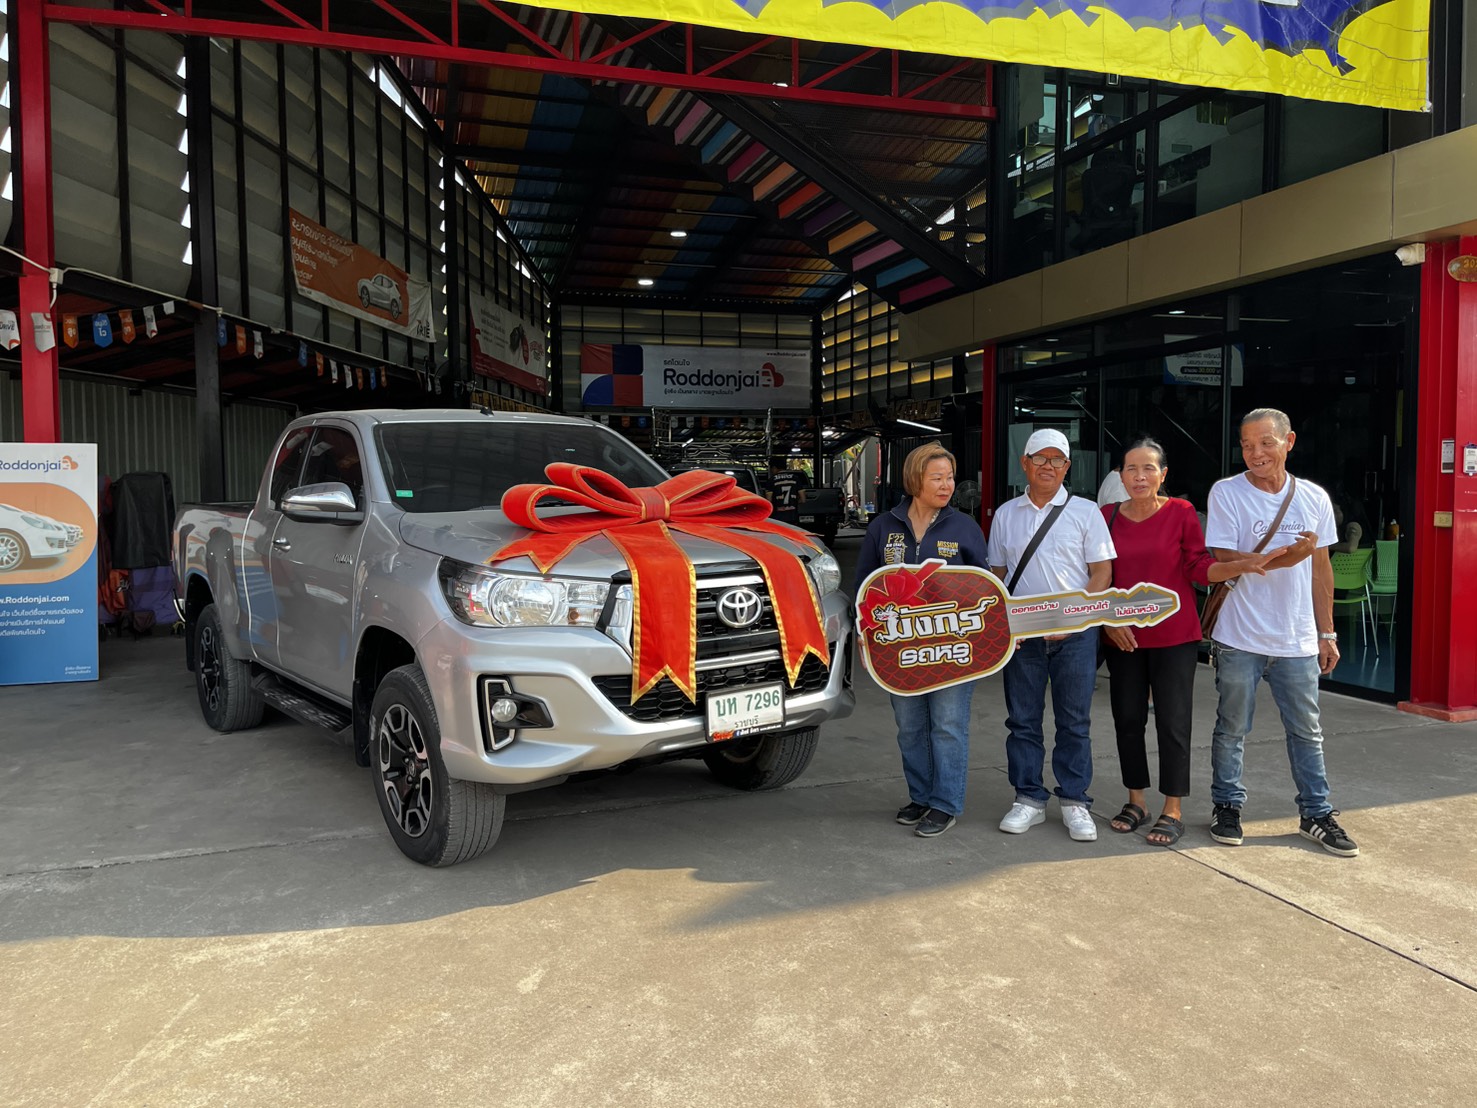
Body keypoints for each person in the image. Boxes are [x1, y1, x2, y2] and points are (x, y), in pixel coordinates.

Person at [1100, 438, 1281, 846]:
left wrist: (1240, 565)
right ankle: (1136, 801)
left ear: (1163, 474)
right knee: (1127, 719)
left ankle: (1172, 808)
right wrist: (1108, 620)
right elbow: (1097, 573)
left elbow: (1198, 566)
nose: (1140, 476)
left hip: (1174, 636)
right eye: (1131, 469)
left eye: (1148, 468)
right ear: (1120, 476)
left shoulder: (1181, 512)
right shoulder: (1106, 516)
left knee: (1173, 721)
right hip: (1123, 636)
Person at [1204, 408, 1360, 857]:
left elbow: (1321, 568)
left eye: (1266, 443)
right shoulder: (1227, 492)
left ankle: (1316, 813)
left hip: (1297, 639)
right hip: (1240, 636)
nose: (1256, 453)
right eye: (1247, 445)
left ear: (1288, 442)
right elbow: (1225, 558)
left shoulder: (1313, 497)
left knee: (1307, 731)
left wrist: (1327, 633)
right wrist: (1288, 556)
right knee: (1232, 728)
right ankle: (1227, 806)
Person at [855, 442, 988, 838]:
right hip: (900, 648)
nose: (947, 485)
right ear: (915, 481)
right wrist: (865, 636)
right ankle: (921, 796)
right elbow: (865, 586)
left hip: (952, 648)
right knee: (910, 726)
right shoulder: (883, 527)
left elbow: (985, 587)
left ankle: (945, 804)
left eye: (950, 477)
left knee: (947, 725)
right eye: (937, 478)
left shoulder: (965, 527)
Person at [987, 429, 1115, 842]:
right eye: (1040, 458)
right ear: (1024, 463)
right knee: (1022, 720)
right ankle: (1028, 798)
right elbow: (998, 575)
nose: (1048, 466)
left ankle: (1075, 801)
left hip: (1075, 635)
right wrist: (1005, 623)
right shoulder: (1006, 514)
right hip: (1023, 635)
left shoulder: (1086, 512)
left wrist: (1074, 620)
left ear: (1067, 466)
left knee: (1074, 721)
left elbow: (1101, 572)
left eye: (1056, 459)